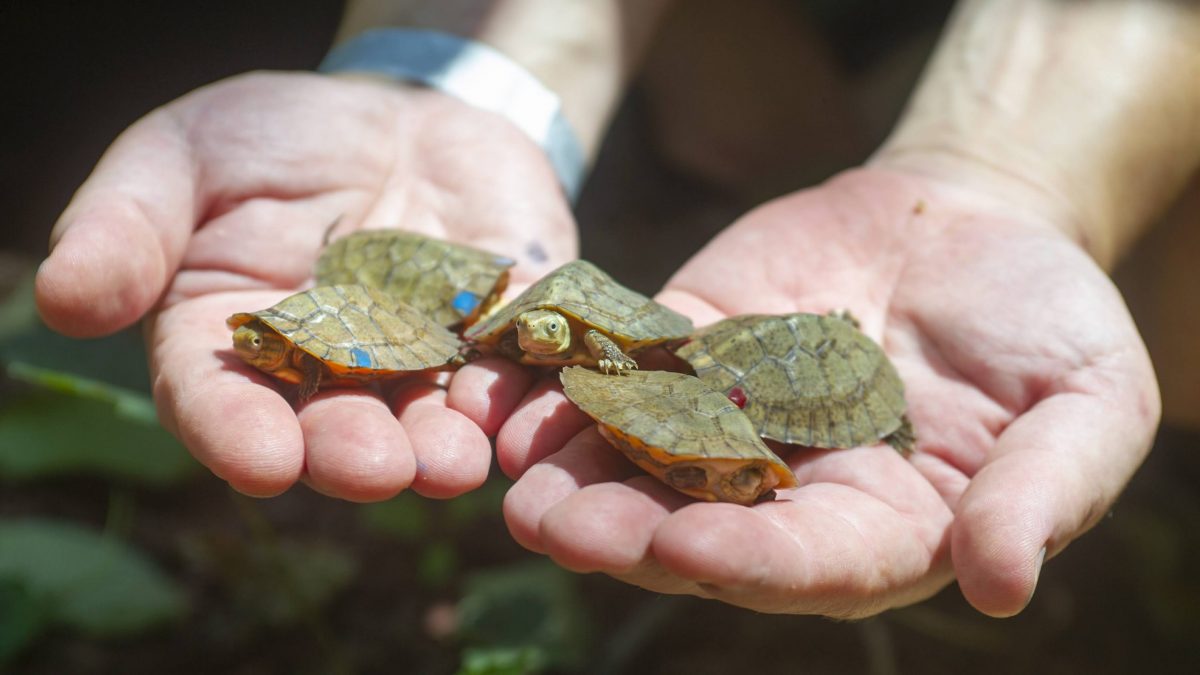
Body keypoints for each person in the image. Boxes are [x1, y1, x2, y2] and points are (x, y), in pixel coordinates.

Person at [34, 0, 1198, 619]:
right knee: (739, 118)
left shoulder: (649, 364)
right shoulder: (576, 348)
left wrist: (1003, 176)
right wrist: (454, 67)